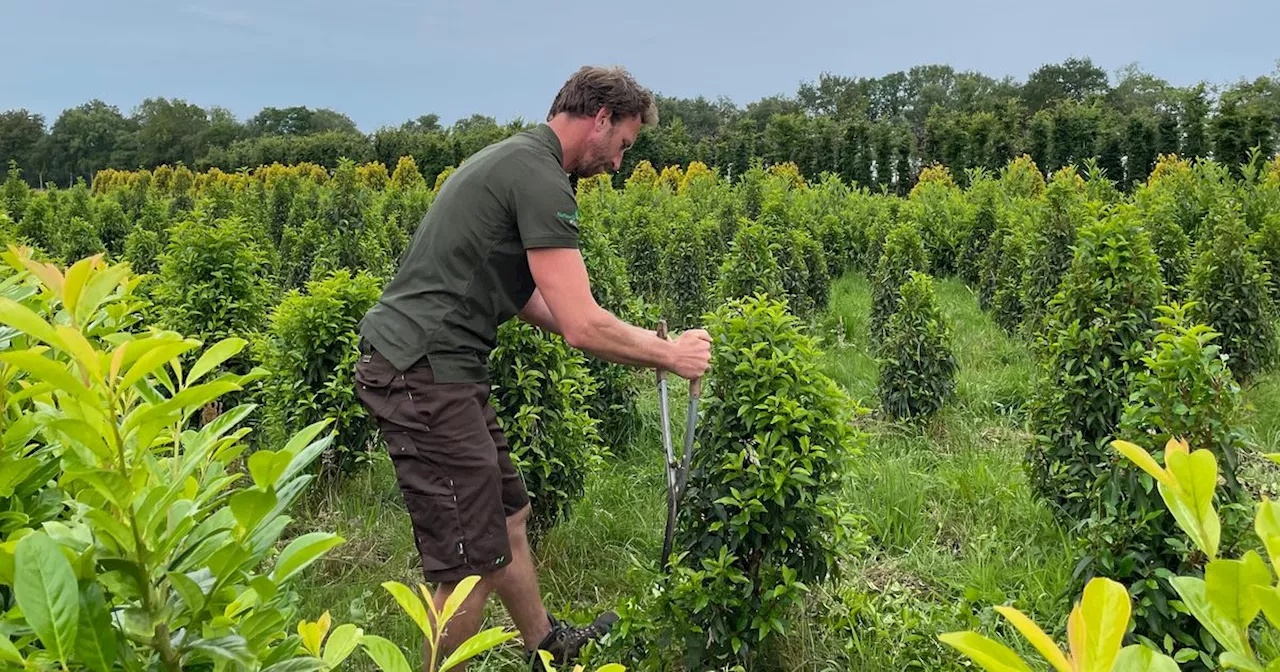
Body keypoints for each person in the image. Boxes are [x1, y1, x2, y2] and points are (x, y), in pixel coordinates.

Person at [352, 65, 713, 669]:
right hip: (422, 371)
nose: (620, 164)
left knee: (509, 511)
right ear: (600, 118)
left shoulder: (521, 162)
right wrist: (669, 355)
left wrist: (628, 336)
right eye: (623, 145)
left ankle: (547, 646)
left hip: (444, 370)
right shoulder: (539, 176)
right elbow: (579, 325)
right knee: (469, 563)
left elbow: (524, 294)